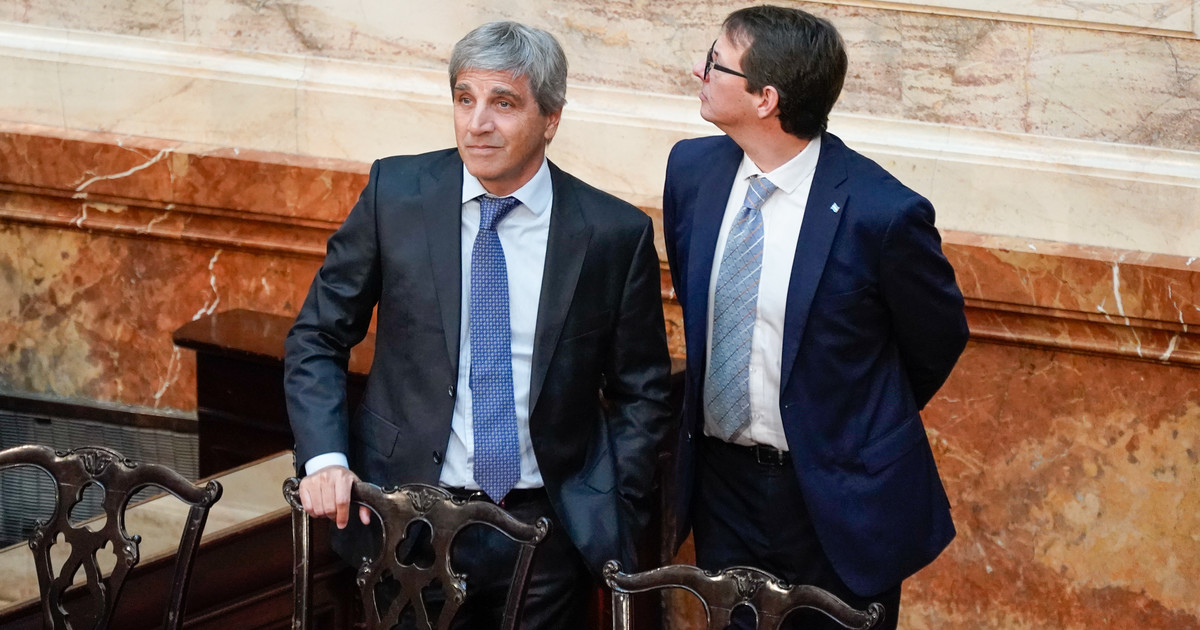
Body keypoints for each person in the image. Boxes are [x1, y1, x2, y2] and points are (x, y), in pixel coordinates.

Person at [284, 20, 672, 628]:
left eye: (504, 103)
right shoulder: (396, 194)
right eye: (465, 99)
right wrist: (325, 459)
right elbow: (318, 335)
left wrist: (613, 503)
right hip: (404, 522)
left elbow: (642, 390)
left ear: (551, 118)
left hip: (546, 537)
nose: (477, 123)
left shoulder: (613, 233)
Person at [662, 6, 969, 629]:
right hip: (722, 488)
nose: (699, 69)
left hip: (837, 497)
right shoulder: (691, 173)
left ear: (766, 99)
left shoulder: (882, 214)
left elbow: (935, 340)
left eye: (717, 62)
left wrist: (846, 422)